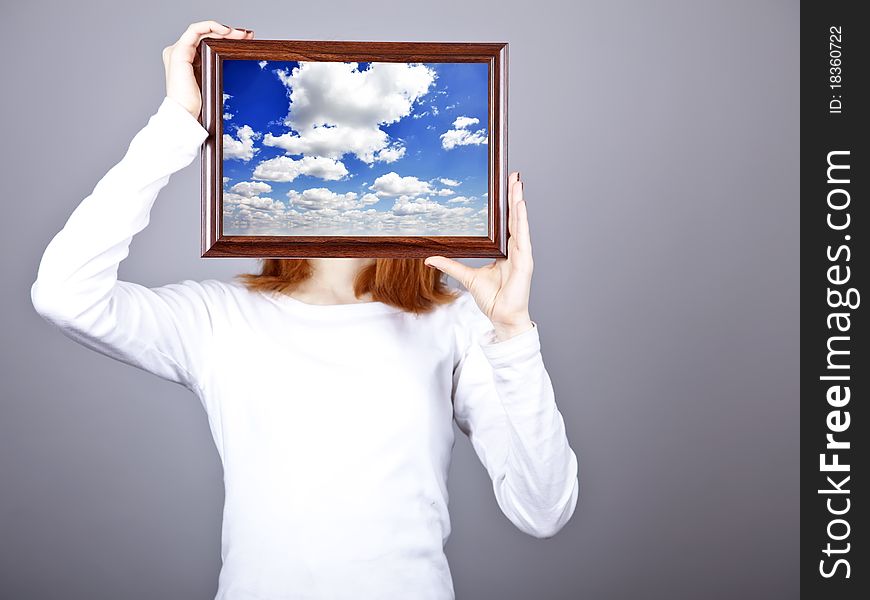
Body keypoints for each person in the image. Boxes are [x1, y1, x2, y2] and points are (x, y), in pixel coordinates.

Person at [29, 20, 579, 600]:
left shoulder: (456, 323)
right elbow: (64, 293)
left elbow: (542, 510)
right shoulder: (219, 318)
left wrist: (514, 332)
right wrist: (176, 123)